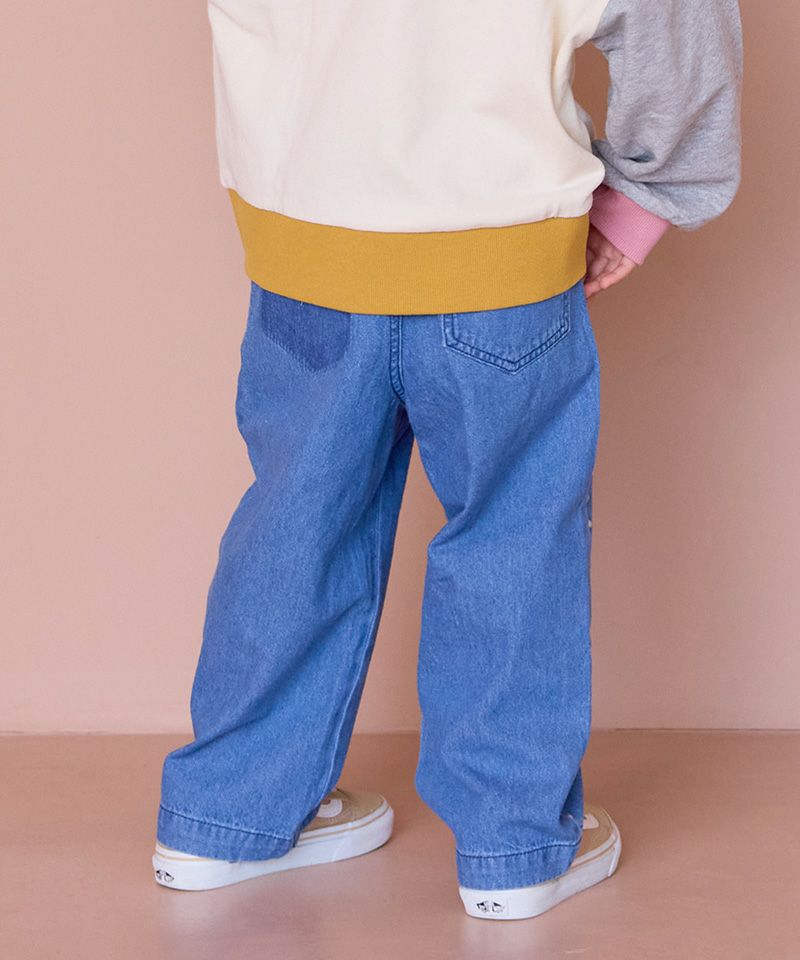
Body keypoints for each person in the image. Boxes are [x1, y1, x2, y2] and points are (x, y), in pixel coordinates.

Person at [152, 0, 742, 920]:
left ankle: (224, 815)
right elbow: (680, 22)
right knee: (514, 532)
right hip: (500, 249)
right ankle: (512, 845)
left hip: (306, 242)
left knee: (296, 521)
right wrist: (644, 200)